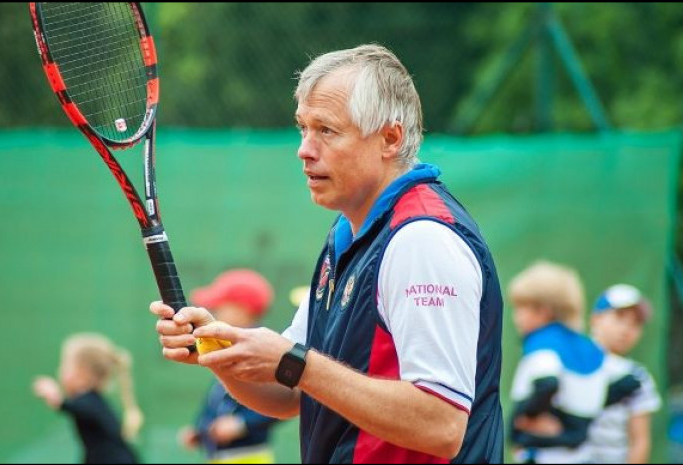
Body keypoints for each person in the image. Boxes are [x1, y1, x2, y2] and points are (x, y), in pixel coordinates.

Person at [152, 44, 504, 464]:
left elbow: (441, 424)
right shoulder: (346, 233)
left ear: (390, 138)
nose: (304, 148)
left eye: (327, 130)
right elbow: (287, 393)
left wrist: (296, 364)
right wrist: (218, 353)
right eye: (303, 127)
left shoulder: (422, 239)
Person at [507, 260, 618, 464]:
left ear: (543, 311)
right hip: (581, 454)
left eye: (521, 308)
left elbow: (547, 383)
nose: (516, 317)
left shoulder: (541, 342)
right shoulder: (590, 347)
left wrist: (528, 417)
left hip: (542, 456)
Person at [177, 269, 281, 463]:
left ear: (243, 309)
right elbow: (217, 400)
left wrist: (242, 424)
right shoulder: (224, 346)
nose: (214, 312)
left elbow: (284, 402)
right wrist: (199, 430)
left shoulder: (264, 350)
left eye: (220, 307)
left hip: (248, 458)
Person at [32, 333, 142, 464]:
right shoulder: (94, 401)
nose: (60, 370)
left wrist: (57, 399)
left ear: (82, 373)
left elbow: (80, 408)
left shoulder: (90, 401)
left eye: (65, 366)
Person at [585, 284, 662, 463]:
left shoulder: (638, 377)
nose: (626, 329)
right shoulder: (571, 360)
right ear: (596, 319)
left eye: (635, 323)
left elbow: (640, 440)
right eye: (619, 317)